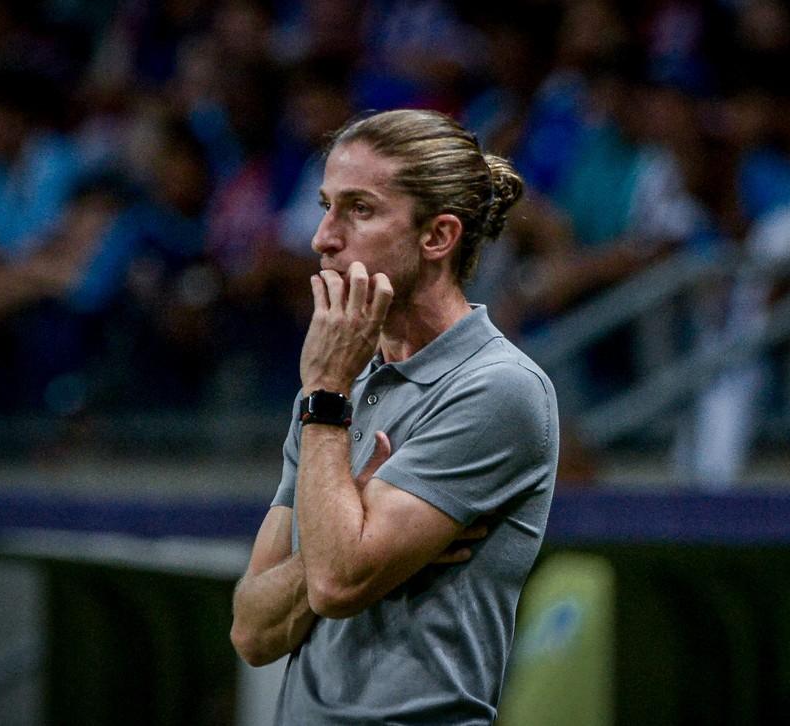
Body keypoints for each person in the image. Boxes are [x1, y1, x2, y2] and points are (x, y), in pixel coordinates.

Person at [230, 108, 559, 724]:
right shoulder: (337, 379)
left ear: (437, 237)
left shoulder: (500, 388)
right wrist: (350, 512)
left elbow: (337, 586)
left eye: (358, 209)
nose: (322, 237)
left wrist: (325, 399)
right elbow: (252, 631)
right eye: (326, 204)